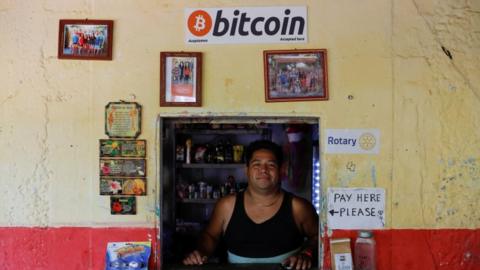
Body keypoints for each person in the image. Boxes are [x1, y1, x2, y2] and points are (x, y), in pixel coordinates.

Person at [183, 140, 319, 270]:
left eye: (271, 165)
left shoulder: (298, 207)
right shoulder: (227, 205)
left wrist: (306, 254)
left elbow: (319, 237)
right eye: (256, 164)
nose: (263, 170)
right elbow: (210, 236)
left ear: (281, 170)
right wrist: (200, 253)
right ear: (246, 170)